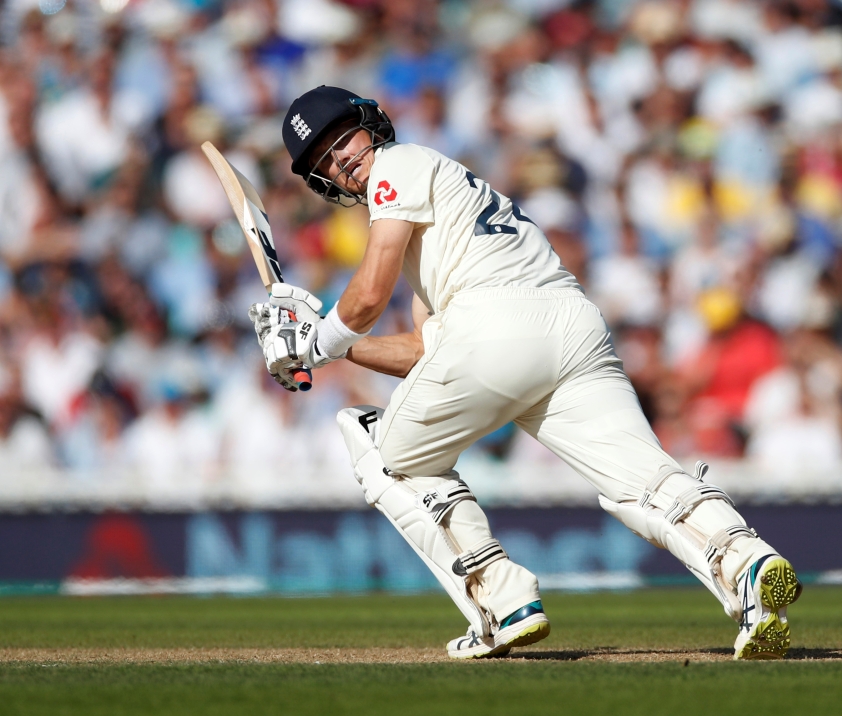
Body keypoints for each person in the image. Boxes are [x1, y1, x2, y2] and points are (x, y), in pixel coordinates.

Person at [249, 86, 802, 660]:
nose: (340, 158)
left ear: (372, 125)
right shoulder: (441, 215)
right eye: (324, 161)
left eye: (343, 139)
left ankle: (502, 598)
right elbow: (422, 351)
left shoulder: (400, 163)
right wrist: (331, 346)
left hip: (495, 327)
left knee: (380, 449)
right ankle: (746, 562)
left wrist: (313, 343)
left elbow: (365, 298)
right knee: (641, 483)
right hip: (569, 328)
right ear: (323, 183)